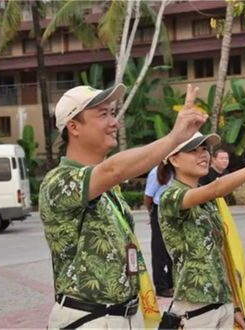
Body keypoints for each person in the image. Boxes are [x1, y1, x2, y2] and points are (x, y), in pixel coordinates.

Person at [39, 83, 206, 329]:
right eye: (103, 114)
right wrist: (174, 138)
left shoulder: (108, 190)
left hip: (125, 316)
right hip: (89, 320)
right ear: (73, 127)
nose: (114, 122)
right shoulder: (58, 181)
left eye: (112, 113)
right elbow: (114, 169)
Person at [158, 129, 245, 328]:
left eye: (205, 149)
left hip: (222, 304)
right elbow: (216, 187)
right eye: (194, 150)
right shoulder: (171, 197)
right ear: (174, 159)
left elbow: (220, 254)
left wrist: (234, 305)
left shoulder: (210, 203)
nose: (203, 154)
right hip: (194, 307)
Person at [144, 166, 173, 298]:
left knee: (173, 249)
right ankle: (161, 287)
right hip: (160, 208)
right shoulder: (157, 172)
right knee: (159, 250)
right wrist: (151, 213)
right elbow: (148, 196)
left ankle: (172, 282)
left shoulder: (180, 169)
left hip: (176, 209)